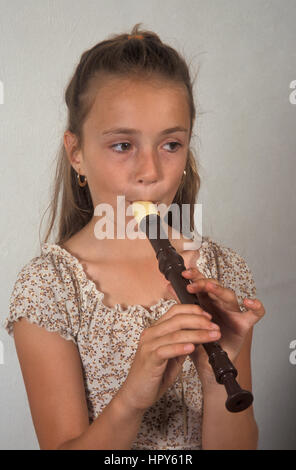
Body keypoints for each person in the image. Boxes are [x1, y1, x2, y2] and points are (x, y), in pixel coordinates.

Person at [2, 23, 266, 450]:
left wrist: (221, 374)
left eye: (171, 144)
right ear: (77, 154)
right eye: (123, 145)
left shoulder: (223, 270)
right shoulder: (49, 287)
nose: (151, 172)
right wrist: (131, 400)